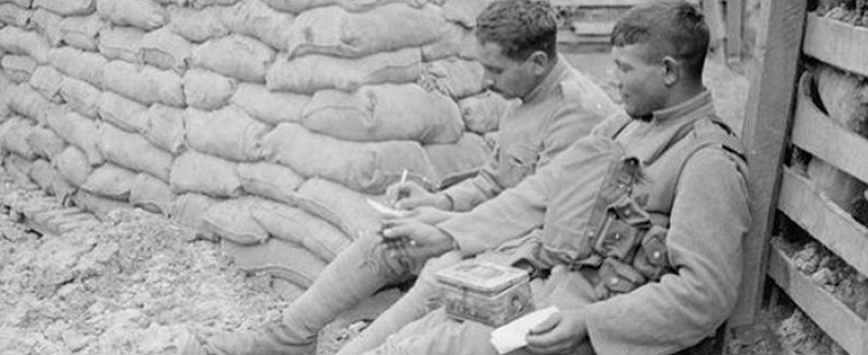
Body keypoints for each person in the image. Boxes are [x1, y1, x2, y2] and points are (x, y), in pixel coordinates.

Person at [178, 1, 616, 354]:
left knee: (441, 272)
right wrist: (435, 203)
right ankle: (287, 338)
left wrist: (444, 230)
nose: (485, 81)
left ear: (538, 61)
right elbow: (492, 181)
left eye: (496, 71)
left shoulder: (577, 113)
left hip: (539, 245)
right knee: (386, 237)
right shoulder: (523, 96)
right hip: (494, 226)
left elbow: (538, 211)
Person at [351, 1, 750, 354]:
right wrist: (449, 232)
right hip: (546, 290)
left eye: (624, 69)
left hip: (588, 324)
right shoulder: (621, 129)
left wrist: (590, 323)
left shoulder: (707, 162)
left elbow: (705, 294)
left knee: (439, 347)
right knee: (420, 332)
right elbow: (541, 192)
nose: (613, 80)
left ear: (668, 71)